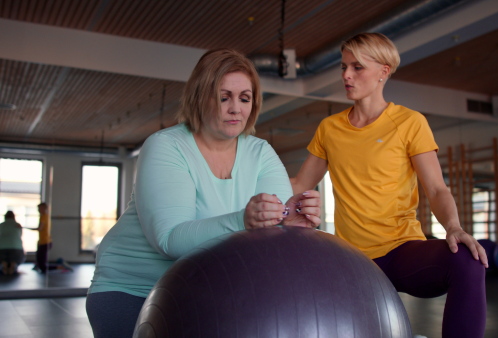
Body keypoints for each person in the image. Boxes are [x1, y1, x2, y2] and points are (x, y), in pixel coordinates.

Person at [86, 49, 321, 338]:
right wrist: (244, 221)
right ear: (200, 97)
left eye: (244, 98)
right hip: (134, 288)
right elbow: (170, 240)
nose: (236, 108)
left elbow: (270, 228)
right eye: (224, 97)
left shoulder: (260, 152)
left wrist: (290, 223)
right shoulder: (166, 146)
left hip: (203, 286)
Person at [290, 33, 488, 338]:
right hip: (351, 260)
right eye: (343, 67)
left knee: (467, 260)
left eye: (357, 67)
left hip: (401, 251)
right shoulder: (329, 129)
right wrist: (242, 177)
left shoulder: (410, 123)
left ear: (384, 71)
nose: (346, 75)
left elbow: (436, 190)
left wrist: (453, 227)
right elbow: (300, 183)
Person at [26, 203, 52, 273]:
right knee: (40, 260)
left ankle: (59, 267)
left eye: (39, 208)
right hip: (43, 241)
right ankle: (38, 266)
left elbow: (40, 228)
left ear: (43, 208)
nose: (38, 210)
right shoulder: (46, 216)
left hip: (45, 242)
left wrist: (26, 227)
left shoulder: (44, 217)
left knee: (42, 264)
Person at [0, 211, 25, 275]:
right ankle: (13, 265)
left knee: (2, 259)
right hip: (16, 247)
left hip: (2, 247)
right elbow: (20, 235)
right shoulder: (17, 225)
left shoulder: (1, 225)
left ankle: (3, 264)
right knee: (15, 259)